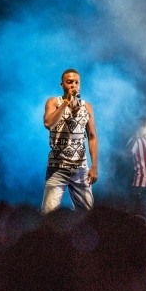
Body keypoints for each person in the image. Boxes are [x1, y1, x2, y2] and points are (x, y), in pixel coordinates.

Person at [41, 68, 98, 213]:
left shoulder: (87, 107)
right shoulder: (54, 102)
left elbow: (92, 137)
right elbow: (48, 123)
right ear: (62, 85)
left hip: (80, 168)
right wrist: (66, 102)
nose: (73, 85)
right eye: (69, 82)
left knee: (87, 213)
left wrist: (94, 167)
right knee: (48, 212)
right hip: (57, 167)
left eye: (76, 82)